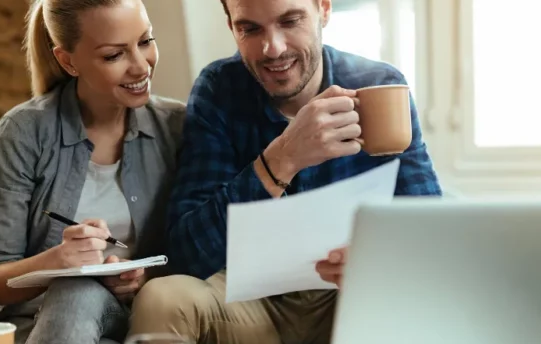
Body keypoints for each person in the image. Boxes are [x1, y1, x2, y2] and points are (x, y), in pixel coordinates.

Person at [127, 0, 441, 342]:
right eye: (250, 28)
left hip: (349, 298)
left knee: (406, 296)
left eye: (290, 21)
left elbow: (429, 233)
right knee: (162, 298)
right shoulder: (219, 89)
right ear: (231, 25)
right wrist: (281, 159)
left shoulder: (379, 85)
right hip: (250, 302)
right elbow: (186, 255)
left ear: (323, 8)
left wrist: (377, 259)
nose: (272, 49)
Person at [0, 0, 185, 343]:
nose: (140, 66)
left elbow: (201, 245)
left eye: (146, 41)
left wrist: (144, 279)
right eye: (113, 55)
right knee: (74, 290)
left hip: (133, 313)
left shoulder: (178, 127)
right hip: (30, 321)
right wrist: (59, 261)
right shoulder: (23, 132)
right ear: (67, 60)